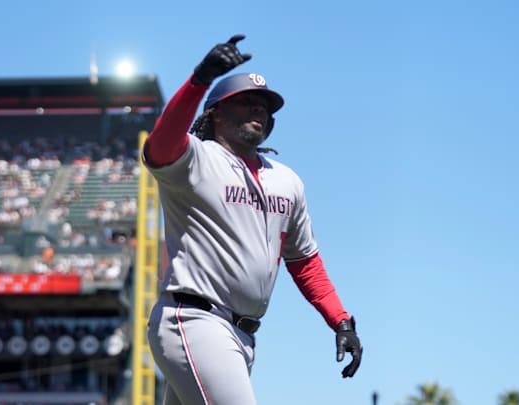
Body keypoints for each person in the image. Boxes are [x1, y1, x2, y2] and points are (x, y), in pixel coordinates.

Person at [144, 34, 363, 405]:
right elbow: (160, 145)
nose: (257, 110)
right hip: (195, 319)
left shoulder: (286, 180)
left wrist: (340, 320)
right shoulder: (197, 159)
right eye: (244, 102)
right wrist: (200, 81)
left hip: (242, 336)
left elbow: (305, 263)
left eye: (263, 106)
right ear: (214, 114)